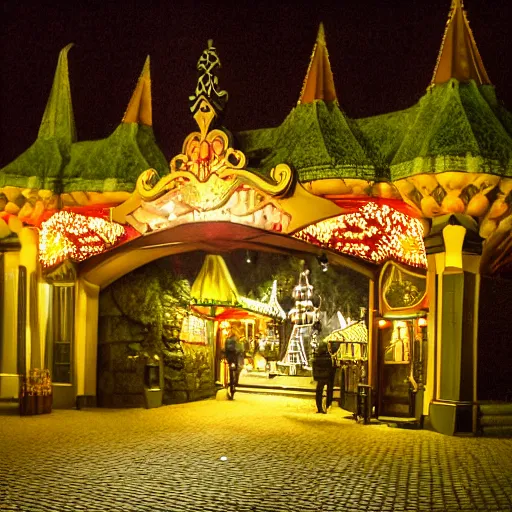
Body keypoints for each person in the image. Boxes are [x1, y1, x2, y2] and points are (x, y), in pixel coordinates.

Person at [312, 342, 335, 414]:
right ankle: (327, 406)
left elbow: (314, 366)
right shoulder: (328, 356)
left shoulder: (317, 356)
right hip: (327, 377)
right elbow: (331, 367)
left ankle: (319, 408)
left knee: (319, 393)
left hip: (320, 377)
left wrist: (315, 376)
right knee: (328, 392)